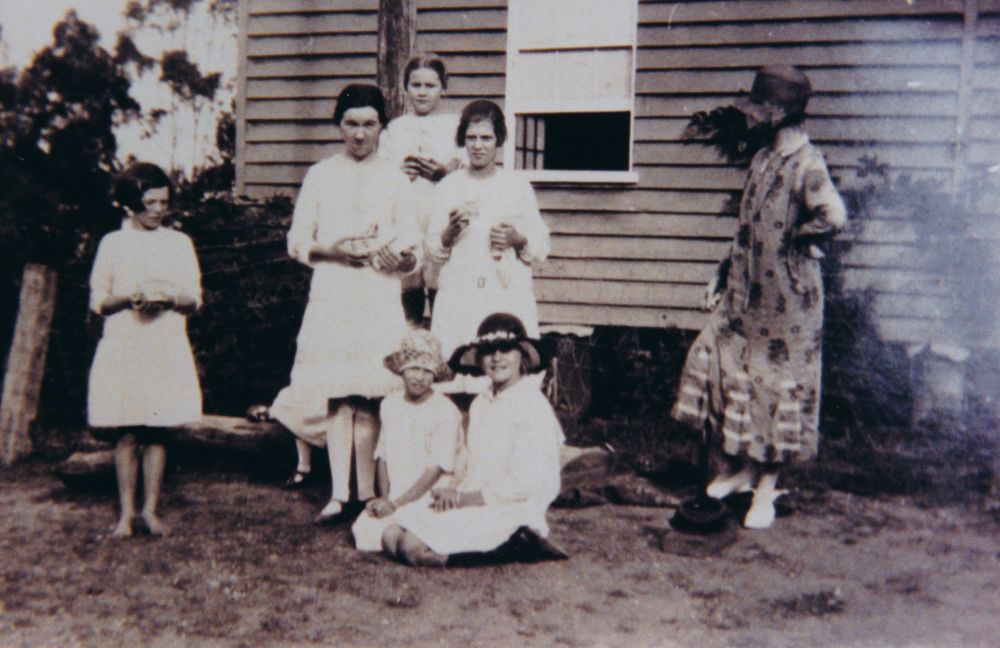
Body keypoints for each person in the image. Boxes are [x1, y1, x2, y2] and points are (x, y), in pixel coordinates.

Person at [671, 65, 847, 529]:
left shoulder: (807, 164)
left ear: (778, 110)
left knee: (775, 388)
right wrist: (722, 271)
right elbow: (745, 230)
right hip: (745, 297)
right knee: (718, 364)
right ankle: (742, 468)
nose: (751, 117)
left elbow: (835, 216)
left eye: (758, 108)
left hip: (788, 303)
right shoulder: (764, 159)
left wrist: (800, 239)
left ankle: (765, 489)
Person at [270, 84, 421, 522]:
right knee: (337, 393)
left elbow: (412, 246)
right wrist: (334, 252)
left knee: (371, 391)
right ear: (339, 126)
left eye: (369, 124)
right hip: (334, 293)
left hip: (376, 294)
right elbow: (298, 242)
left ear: (382, 128)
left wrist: (403, 257)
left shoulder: (396, 180)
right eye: (351, 124)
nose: (359, 134)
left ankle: (367, 494)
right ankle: (338, 493)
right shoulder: (321, 175)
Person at [384, 313, 564, 567]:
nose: (497, 357)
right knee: (390, 536)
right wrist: (452, 488)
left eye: (505, 349)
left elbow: (526, 483)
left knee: (410, 547)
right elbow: (469, 459)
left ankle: (517, 545)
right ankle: (485, 541)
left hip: (511, 506)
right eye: (489, 351)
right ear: (479, 359)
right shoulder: (481, 403)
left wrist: (463, 500)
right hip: (472, 496)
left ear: (522, 355)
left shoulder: (531, 405)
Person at [87, 162, 202, 538]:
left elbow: (194, 299)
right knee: (127, 430)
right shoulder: (113, 244)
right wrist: (128, 299)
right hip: (126, 342)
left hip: (164, 342)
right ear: (128, 205)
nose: (157, 210)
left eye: (163, 202)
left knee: (157, 429)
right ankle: (126, 514)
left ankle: (151, 511)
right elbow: (99, 301)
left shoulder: (178, 243)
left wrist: (169, 298)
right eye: (149, 202)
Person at [426, 100, 550, 393]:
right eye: (471, 138)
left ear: (499, 141)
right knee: (458, 380)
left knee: (506, 383)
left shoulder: (517, 186)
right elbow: (431, 249)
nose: (478, 146)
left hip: (503, 294)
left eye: (486, 138)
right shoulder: (448, 186)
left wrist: (516, 239)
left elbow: (541, 246)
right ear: (462, 141)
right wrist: (449, 232)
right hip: (460, 294)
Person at [351, 329, 463, 551]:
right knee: (364, 533)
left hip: (429, 493)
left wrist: (395, 504)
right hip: (397, 493)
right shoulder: (390, 404)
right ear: (402, 371)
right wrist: (385, 498)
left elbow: (437, 469)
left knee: (402, 537)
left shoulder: (445, 410)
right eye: (413, 368)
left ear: (435, 376)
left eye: (426, 371)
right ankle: (397, 525)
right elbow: (382, 456)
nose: (419, 377)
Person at [380, 53, 464, 325]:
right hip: (410, 210)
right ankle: (413, 332)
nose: (423, 92)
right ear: (406, 88)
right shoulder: (395, 128)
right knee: (410, 272)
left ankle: (441, 333)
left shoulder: (454, 126)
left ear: (443, 88)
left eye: (430, 86)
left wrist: (446, 171)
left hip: (439, 210)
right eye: (416, 85)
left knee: (440, 273)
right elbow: (382, 168)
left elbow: (465, 163)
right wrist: (398, 171)